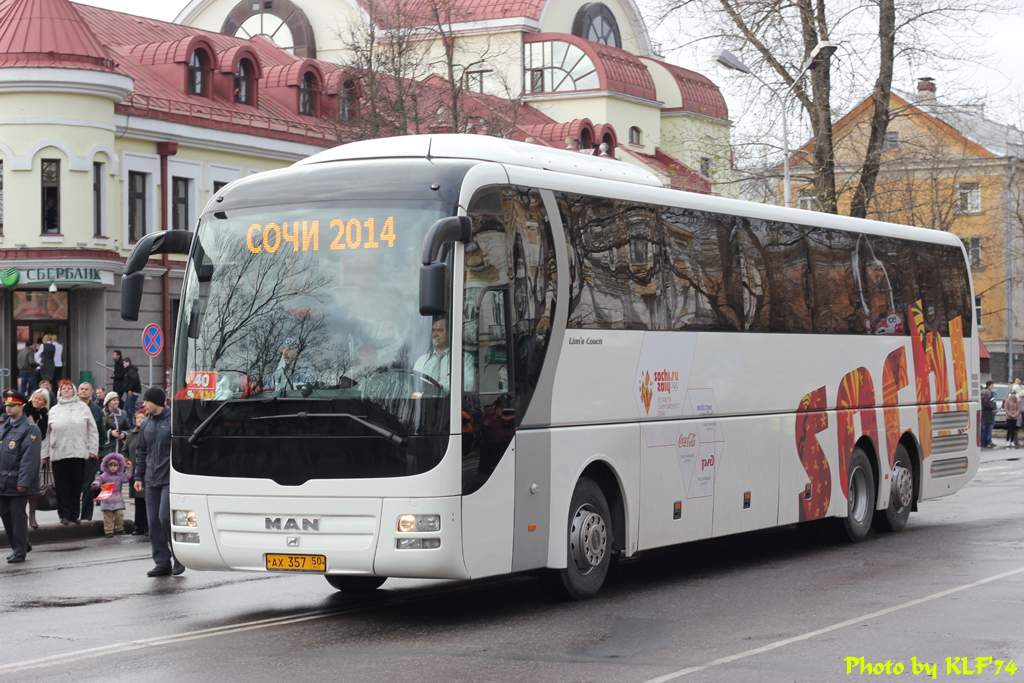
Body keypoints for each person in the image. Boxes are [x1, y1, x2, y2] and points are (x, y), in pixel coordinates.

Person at [133, 386, 183, 576]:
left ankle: (179, 558)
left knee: (165, 518)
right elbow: (140, 451)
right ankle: (162, 562)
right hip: (151, 480)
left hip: (170, 479)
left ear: (156, 402)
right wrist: (138, 476)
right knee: (153, 522)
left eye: (146, 401)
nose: (143, 404)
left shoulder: (172, 421)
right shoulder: (146, 423)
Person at [43, 379, 98, 525]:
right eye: (64, 388)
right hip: (59, 453)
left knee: (76, 485)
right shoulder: (54, 410)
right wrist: (45, 454)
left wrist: (93, 449)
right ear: (60, 391)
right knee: (62, 486)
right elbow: (48, 433)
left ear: (74, 390)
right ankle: (64, 515)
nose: (66, 390)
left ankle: (74, 514)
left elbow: (92, 429)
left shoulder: (83, 408)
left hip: (78, 451)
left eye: (69, 388)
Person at [1, 390, 42, 564]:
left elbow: (30, 459)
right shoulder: (5, 427)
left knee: (17, 516)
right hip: (3, 481)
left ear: (22, 406)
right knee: (5, 514)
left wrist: (23, 482)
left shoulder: (30, 429)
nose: (8, 408)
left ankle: (19, 551)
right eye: (7, 405)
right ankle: (22, 543)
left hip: (18, 481)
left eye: (12, 405)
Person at [412, 317, 475, 392]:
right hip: (425, 402)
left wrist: (441, 388)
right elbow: (413, 386)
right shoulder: (421, 361)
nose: (435, 334)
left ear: (449, 333)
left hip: (451, 402)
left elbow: (468, 385)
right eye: (433, 331)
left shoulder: (463, 358)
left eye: (439, 330)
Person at [78, 382, 107, 522]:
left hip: (91, 453)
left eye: (86, 389)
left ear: (91, 393)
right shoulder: (73, 408)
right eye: (81, 389)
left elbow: (102, 432)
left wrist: (98, 450)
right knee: (75, 484)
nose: (83, 391)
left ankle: (86, 516)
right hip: (75, 452)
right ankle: (72, 515)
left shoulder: (96, 409)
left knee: (88, 486)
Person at [24, 388, 50, 530]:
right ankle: (21, 515)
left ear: (44, 402)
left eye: (40, 399)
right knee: (20, 486)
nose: (37, 400)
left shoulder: (44, 414)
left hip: (36, 452)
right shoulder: (24, 409)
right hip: (20, 452)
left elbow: (44, 435)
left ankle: (32, 514)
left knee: (34, 486)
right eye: (35, 397)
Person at [91, 452, 131, 538]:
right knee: (107, 516)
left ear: (119, 466)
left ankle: (119, 528)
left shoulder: (120, 475)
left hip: (117, 498)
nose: (113, 468)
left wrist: (128, 468)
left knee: (119, 515)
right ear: (106, 465)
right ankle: (108, 531)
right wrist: (96, 484)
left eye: (115, 465)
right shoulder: (104, 476)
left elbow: (127, 478)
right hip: (106, 497)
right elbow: (98, 480)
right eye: (111, 465)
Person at [125, 409, 148, 536]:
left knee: (147, 500)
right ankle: (139, 526)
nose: (139, 420)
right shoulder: (131, 435)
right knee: (138, 501)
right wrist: (126, 459)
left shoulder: (148, 433)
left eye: (142, 418)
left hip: (147, 471)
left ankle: (148, 526)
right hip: (134, 472)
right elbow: (124, 450)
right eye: (138, 418)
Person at [981, 381, 996, 448]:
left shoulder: (985, 392)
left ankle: (984, 442)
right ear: (989, 385)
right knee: (988, 428)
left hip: (986, 413)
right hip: (988, 413)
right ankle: (988, 442)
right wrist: (993, 407)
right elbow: (988, 403)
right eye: (992, 385)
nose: (993, 386)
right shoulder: (987, 392)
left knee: (985, 428)